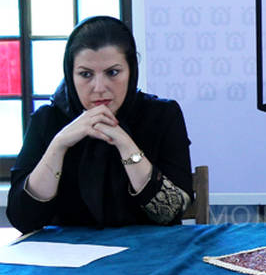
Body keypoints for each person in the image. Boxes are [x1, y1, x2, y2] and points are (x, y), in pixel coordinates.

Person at [7, 16, 194, 233]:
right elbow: (23, 219)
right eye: (85, 74)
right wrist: (58, 145)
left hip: (148, 250)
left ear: (131, 70)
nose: (99, 87)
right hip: (68, 252)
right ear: (70, 74)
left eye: (112, 73)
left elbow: (171, 213)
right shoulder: (48, 119)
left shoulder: (162, 115)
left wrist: (126, 144)